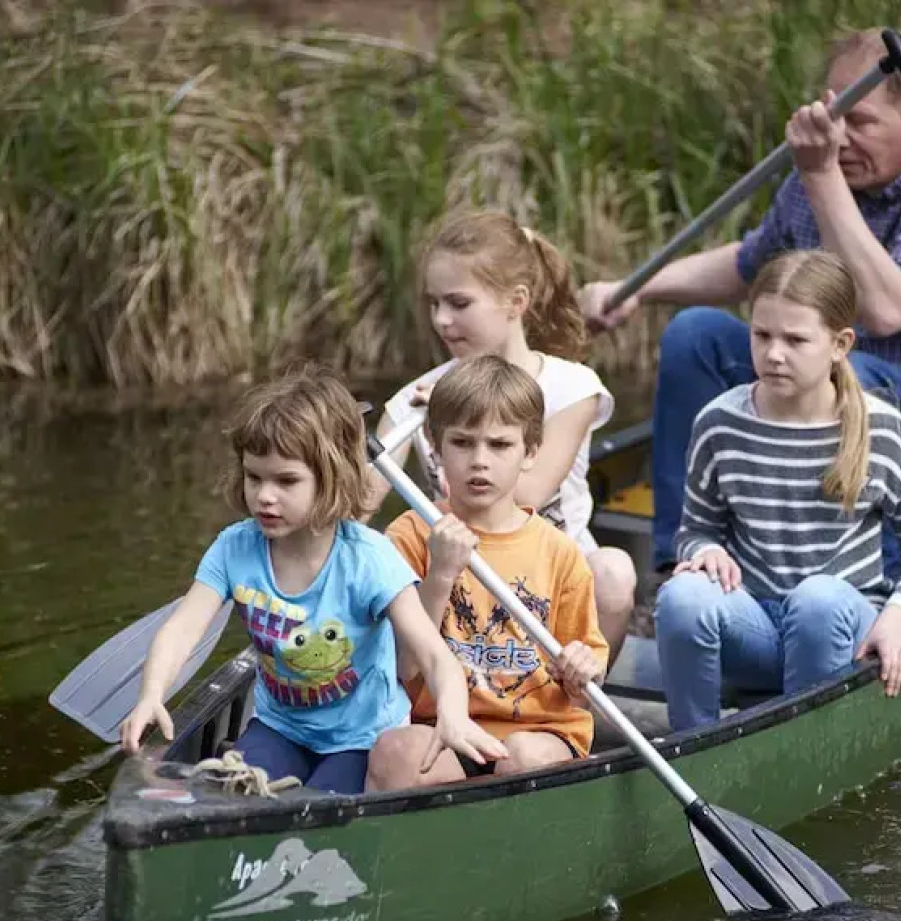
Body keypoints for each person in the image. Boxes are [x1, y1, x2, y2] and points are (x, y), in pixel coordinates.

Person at [578, 30, 901, 573]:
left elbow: (888, 312)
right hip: (829, 418)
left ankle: (866, 597)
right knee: (695, 336)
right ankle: (683, 567)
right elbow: (749, 263)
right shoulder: (820, 175)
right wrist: (635, 289)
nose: (840, 138)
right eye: (833, 116)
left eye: (860, 122)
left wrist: (820, 174)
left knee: (854, 377)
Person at [118, 365, 490, 793]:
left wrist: (453, 714)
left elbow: (434, 656)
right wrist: (151, 695)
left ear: (331, 479)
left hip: (360, 739)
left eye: (286, 481)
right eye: (254, 477)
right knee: (236, 791)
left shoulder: (369, 559)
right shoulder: (235, 547)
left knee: (317, 808)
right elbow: (183, 628)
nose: (264, 496)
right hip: (281, 727)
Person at [653, 250, 901, 730]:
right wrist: (705, 550)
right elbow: (695, 529)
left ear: (839, 344)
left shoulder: (883, 432)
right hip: (756, 627)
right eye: (762, 335)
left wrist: (895, 622)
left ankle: (803, 745)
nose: (773, 353)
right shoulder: (720, 423)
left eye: (795, 340)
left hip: (841, 627)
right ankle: (692, 749)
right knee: (680, 595)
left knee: (818, 600)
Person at [371, 209, 636, 661]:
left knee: (614, 571)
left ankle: (580, 704)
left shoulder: (573, 388)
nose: (441, 319)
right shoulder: (413, 401)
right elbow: (357, 503)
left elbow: (526, 492)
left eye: (458, 303)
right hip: (458, 574)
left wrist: (457, 408)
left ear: (516, 302)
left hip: (550, 579)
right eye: (433, 303)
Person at [366, 358, 610, 789]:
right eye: (462, 443)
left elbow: (586, 691)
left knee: (521, 757)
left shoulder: (559, 553)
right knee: (394, 752)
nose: (480, 461)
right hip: (441, 727)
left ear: (530, 452)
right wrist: (440, 573)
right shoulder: (408, 535)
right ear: (435, 447)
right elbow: (402, 667)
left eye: (499, 445)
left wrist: (580, 669)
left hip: (540, 733)